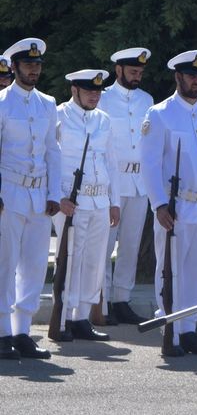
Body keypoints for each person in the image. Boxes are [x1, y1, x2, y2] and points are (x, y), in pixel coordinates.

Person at [140, 50, 197, 357]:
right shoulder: (160, 114)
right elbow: (150, 165)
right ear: (178, 77)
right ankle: (172, 329)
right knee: (170, 271)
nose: (196, 81)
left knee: (196, 272)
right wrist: (159, 204)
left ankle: (190, 329)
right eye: (191, 75)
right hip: (175, 208)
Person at [0, 38, 60, 360]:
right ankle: (1, 332)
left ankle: (22, 331)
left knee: (35, 266)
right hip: (8, 192)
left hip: (39, 195)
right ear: (15, 67)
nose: (34, 70)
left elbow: (53, 150)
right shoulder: (1, 103)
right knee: (4, 265)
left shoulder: (47, 104)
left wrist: (55, 193)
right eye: (28, 65)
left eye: (37, 65)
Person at [52, 70, 121, 342]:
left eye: (98, 91)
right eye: (89, 90)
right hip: (71, 202)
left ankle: (82, 317)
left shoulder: (104, 120)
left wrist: (114, 202)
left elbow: (111, 163)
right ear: (74, 91)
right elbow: (51, 160)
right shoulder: (58, 116)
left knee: (94, 261)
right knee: (70, 259)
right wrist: (58, 198)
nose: (95, 95)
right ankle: (64, 316)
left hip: (100, 200)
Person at [98, 46, 155, 326]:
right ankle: (101, 301)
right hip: (113, 181)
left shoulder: (147, 100)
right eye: (133, 71)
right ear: (118, 70)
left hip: (139, 181)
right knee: (105, 244)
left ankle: (121, 299)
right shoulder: (103, 99)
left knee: (130, 245)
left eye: (140, 72)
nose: (137, 76)